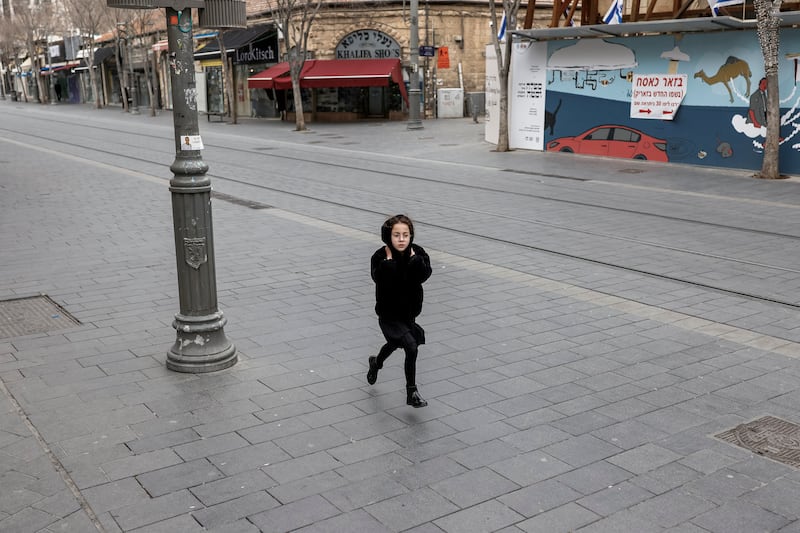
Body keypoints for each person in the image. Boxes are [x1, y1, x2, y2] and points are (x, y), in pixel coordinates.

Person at [368, 214, 432, 408]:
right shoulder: (379, 257)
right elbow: (380, 280)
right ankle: (412, 392)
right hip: (388, 315)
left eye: (405, 234)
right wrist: (388, 265)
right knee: (411, 347)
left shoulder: (417, 253)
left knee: (395, 344)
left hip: (408, 314)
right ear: (388, 236)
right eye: (397, 235)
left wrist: (416, 262)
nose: (402, 239)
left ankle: (375, 362)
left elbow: (425, 274)